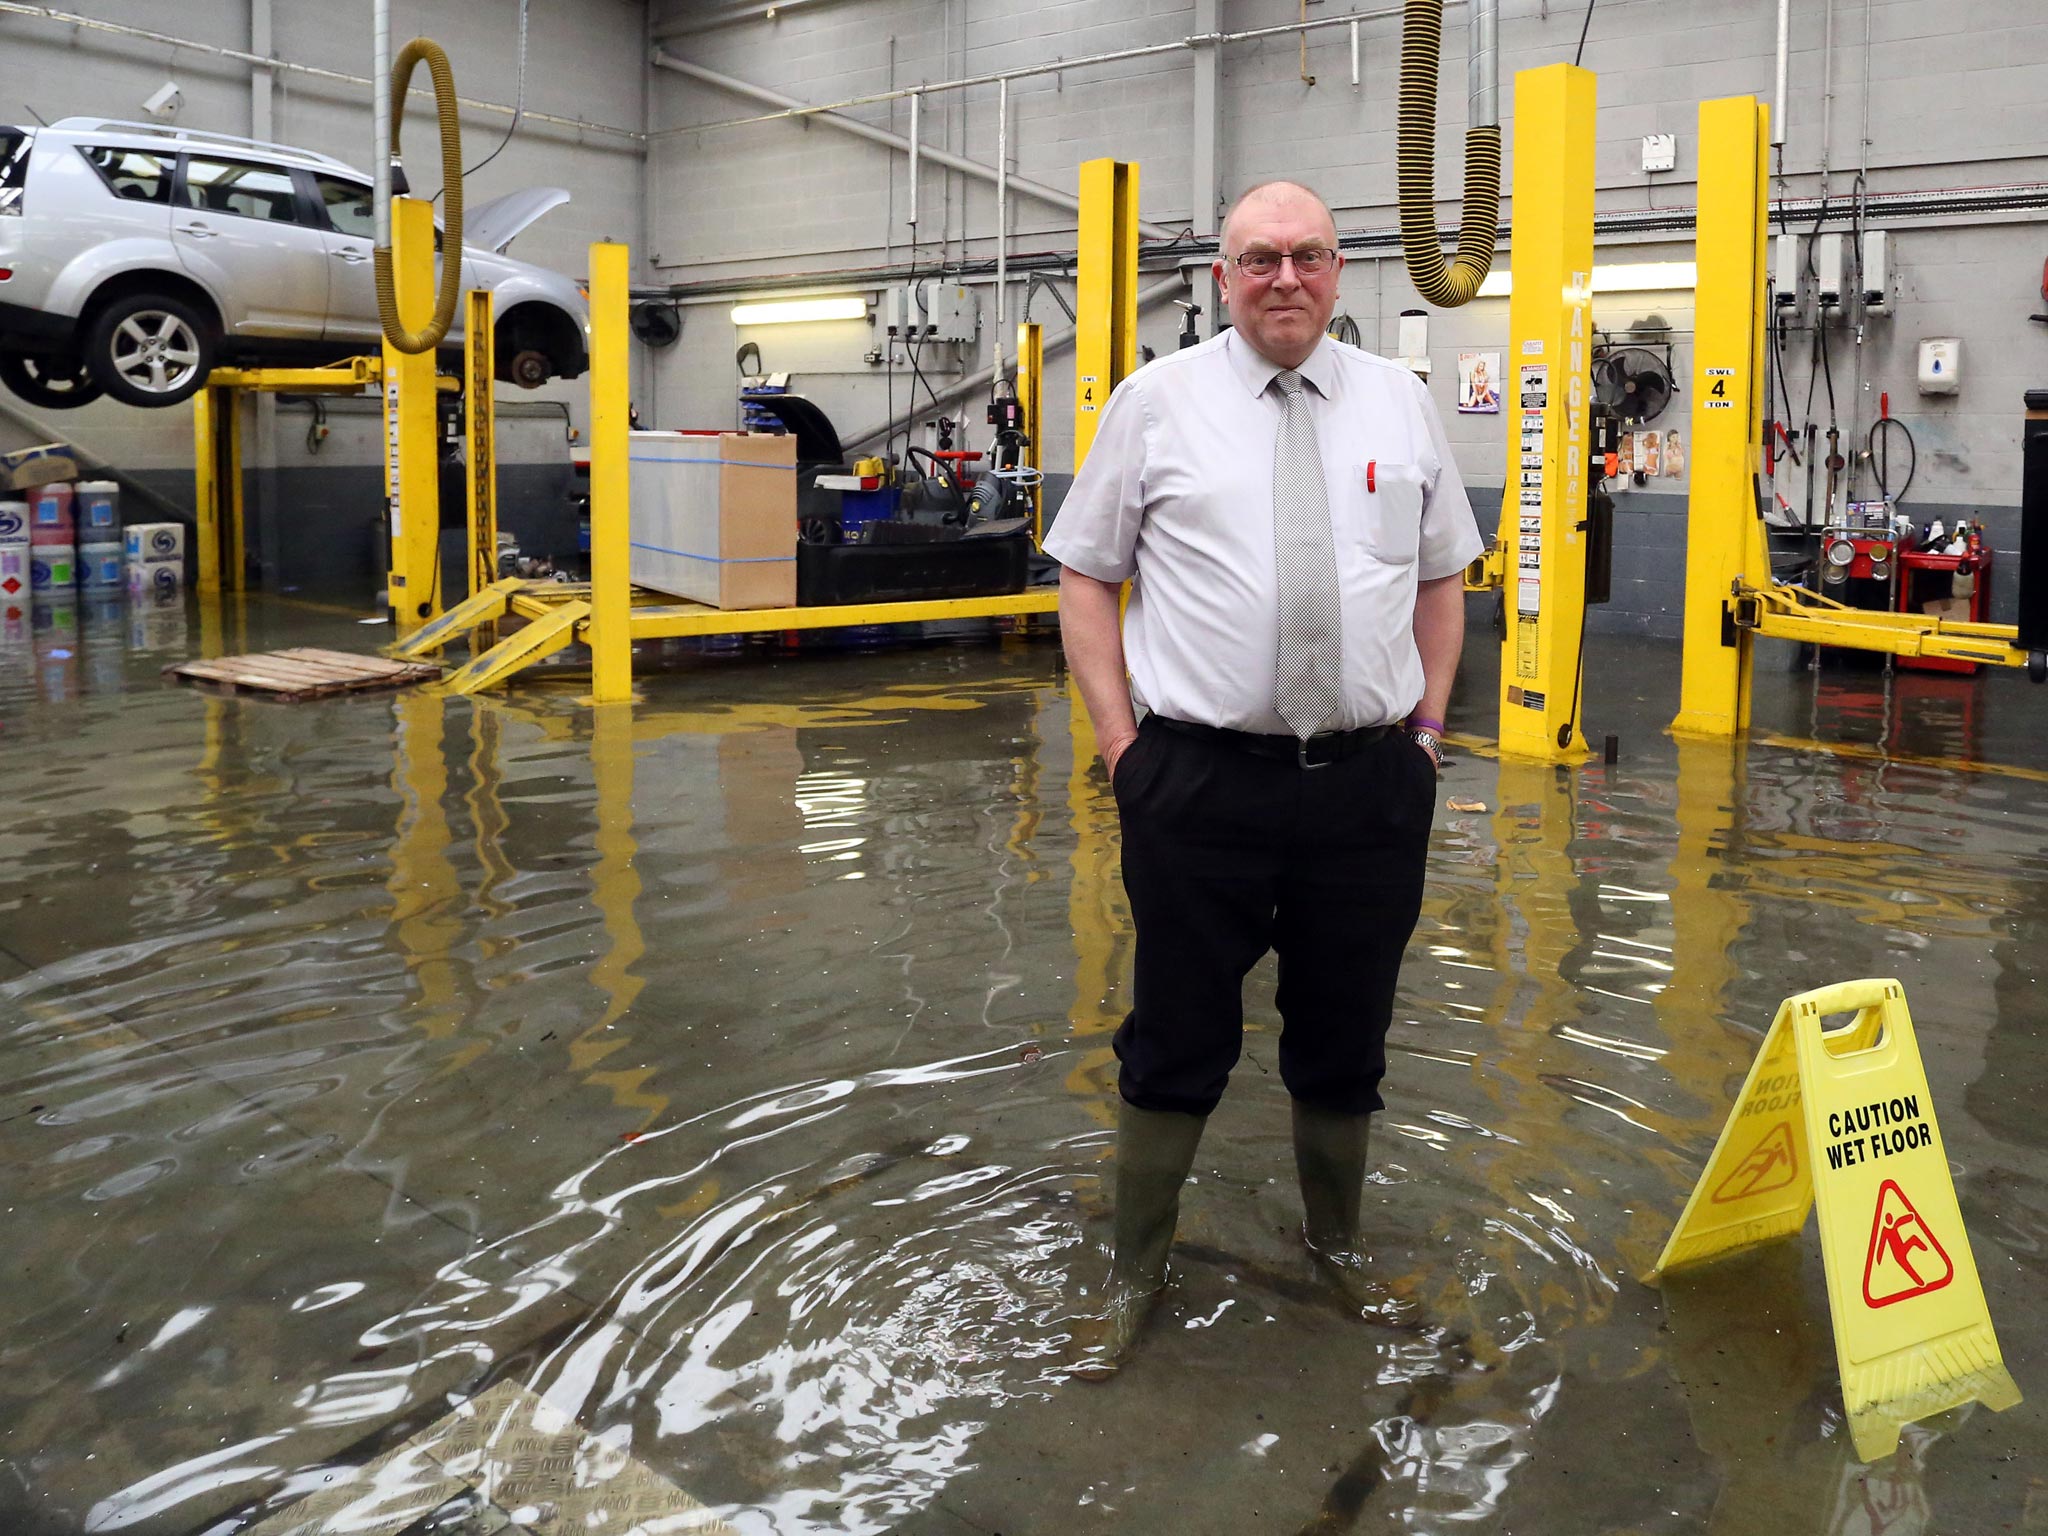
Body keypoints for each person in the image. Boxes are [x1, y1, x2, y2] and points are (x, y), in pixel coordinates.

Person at [1045, 179, 1482, 1377]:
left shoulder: (1399, 404)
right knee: (1176, 1034)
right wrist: (1121, 748)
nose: (1282, 277)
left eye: (1305, 255)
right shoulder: (1156, 403)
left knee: (1345, 1033)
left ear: (1339, 272)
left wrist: (1429, 730)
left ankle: (1336, 1250)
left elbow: (1443, 576)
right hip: (1196, 785)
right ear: (1220, 278)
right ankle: (1134, 1269)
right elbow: (1086, 574)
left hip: (1365, 788)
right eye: (1256, 259)